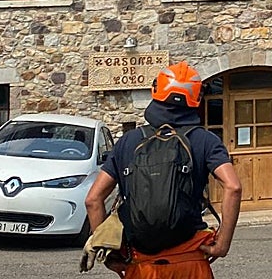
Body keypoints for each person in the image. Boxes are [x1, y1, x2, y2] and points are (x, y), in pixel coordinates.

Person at [85, 61, 243, 279]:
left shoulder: (129, 142)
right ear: (196, 98)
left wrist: (109, 254)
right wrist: (223, 243)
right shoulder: (205, 140)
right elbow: (233, 187)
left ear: (155, 91)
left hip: (142, 266)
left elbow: (93, 200)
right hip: (190, 262)